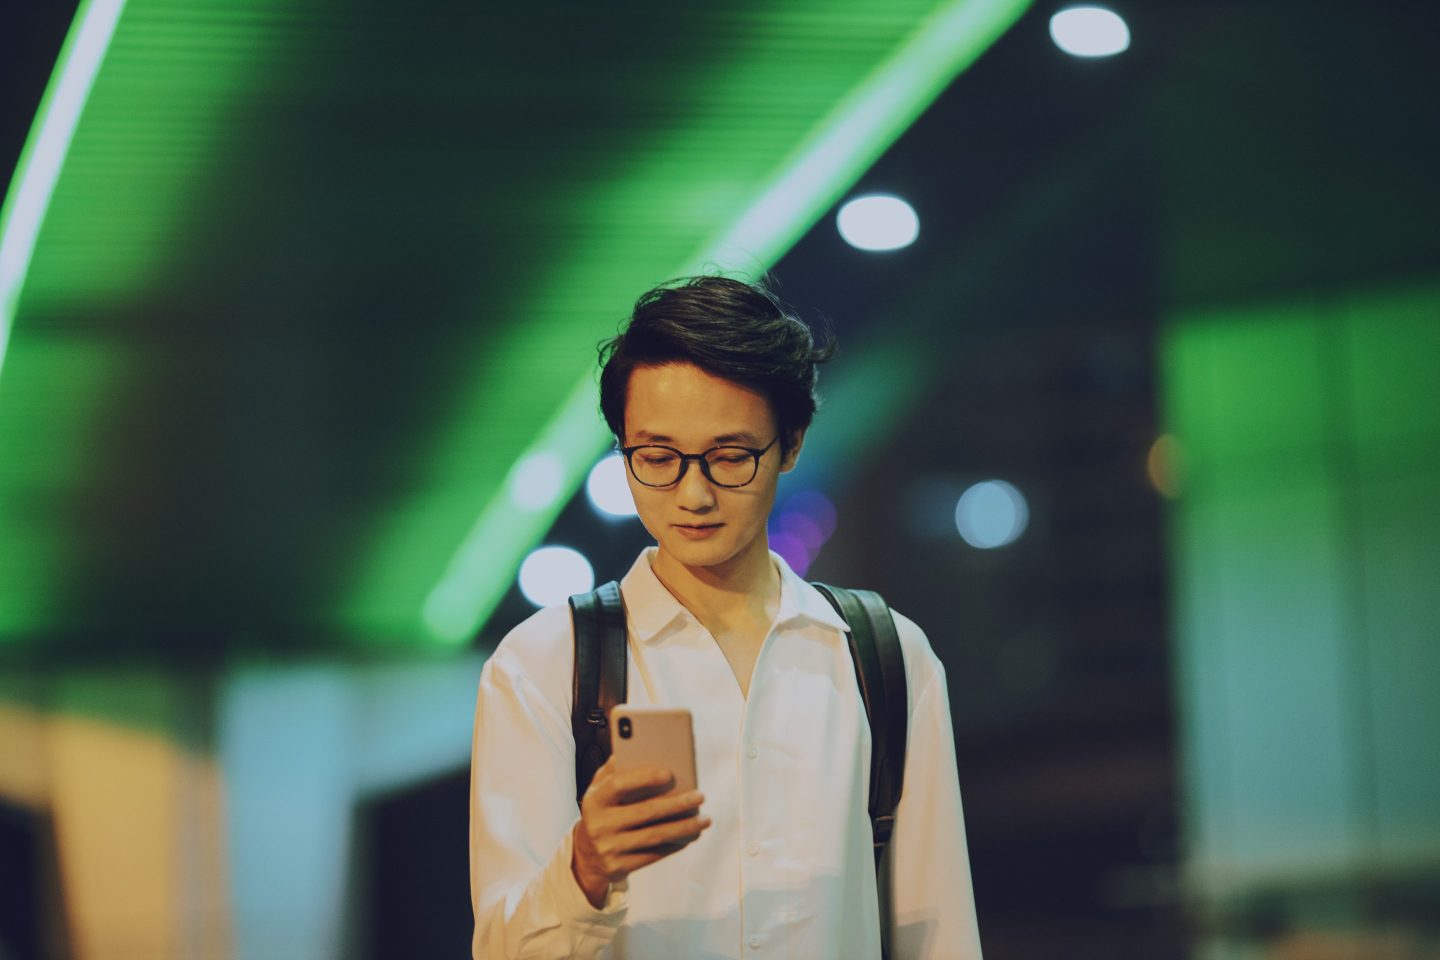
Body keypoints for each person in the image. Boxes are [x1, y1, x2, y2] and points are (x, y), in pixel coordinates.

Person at [469, 275, 982, 959]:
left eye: (731, 457)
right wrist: (585, 871)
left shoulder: (885, 658)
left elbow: (939, 934)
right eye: (655, 457)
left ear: (791, 444)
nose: (693, 492)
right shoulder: (543, 664)